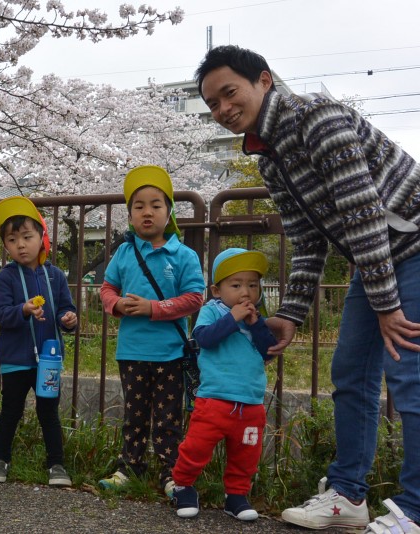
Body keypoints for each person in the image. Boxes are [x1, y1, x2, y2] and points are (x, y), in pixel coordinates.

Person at [196, 45, 420, 533]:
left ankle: (416, 510)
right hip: (376, 259)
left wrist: (385, 304)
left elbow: (361, 212)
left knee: (409, 373)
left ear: (264, 80)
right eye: (212, 104)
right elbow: (307, 239)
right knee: (352, 373)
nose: (223, 110)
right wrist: (291, 316)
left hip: (413, 244)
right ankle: (348, 496)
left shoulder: (317, 118)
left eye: (229, 93)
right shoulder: (271, 157)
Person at [98, 165, 205, 496]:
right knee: (134, 413)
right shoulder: (124, 253)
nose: (147, 212)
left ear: (169, 211)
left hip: (170, 352)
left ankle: (170, 473)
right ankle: (129, 466)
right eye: (139, 206)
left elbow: (195, 297)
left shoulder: (183, 254)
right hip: (131, 351)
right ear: (129, 215)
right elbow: (106, 289)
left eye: (156, 205)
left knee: (168, 418)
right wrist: (116, 305)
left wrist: (153, 309)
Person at [170, 248, 276, 520]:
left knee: (246, 455)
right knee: (196, 447)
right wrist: (234, 318)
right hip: (215, 399)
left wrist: (256, 325)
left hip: (250, 402)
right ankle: (183, 486)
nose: (246, 292)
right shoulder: (212, 311)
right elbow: (204, 338)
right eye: (236, 285)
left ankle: (237, 496)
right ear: (217, 290)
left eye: (253, 285)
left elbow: (268, 352)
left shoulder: (256, 319)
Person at [0, 196, 78, 487]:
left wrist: (69, 319)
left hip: (48, 358)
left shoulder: (56, 275)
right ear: (6, 246)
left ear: (41, 238)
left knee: (48, 410)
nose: (20, 245)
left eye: (27, 237)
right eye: (12, 240)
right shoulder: (7, 277)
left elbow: (66, 308)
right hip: (14, 358)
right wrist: (22, 310)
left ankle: (57, 464)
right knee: (10, 410)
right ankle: (1, 460)